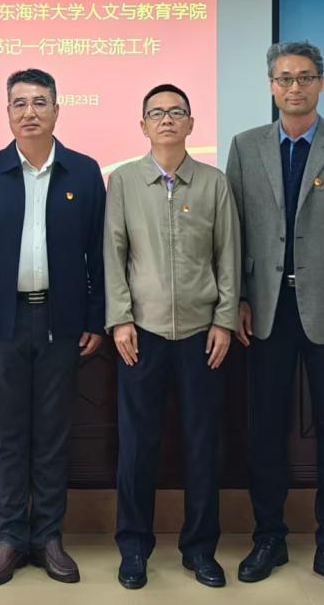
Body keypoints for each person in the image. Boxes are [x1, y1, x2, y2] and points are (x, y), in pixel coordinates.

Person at [225, 41, 324, 597]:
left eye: (306, 77)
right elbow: (233, 233)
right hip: (264, 310)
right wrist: (237, 298)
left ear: (321, 83)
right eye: (285, 78)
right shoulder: (245, 147)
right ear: (271, 85)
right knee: (264, 430)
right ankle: (269, 536)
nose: (295, 87)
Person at [0, 69, 105, 586]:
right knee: (8, 438)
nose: (30, 112)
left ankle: (48, 537)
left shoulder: (83, 172)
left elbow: (100, 252)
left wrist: (96, 317)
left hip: (62, 323)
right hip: (3, 322)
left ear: (57, 110)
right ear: (7, 113)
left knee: (53, 436)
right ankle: (9, 538)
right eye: (19, 103)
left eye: (40, 102)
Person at [105, 84, 239, 591]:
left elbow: (228, 255)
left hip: (203, 335)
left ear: (191, 123)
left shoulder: (213, 183)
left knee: (202, 445)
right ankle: (134, 547)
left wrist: (224, 320)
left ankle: (199, 549)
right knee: (137, 445)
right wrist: (120, 318)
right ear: (142, 125)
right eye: (156, 113)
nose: (167, 119)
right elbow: (114, 253)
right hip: (141, 333)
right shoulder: (124, 181)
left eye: (176, 112)